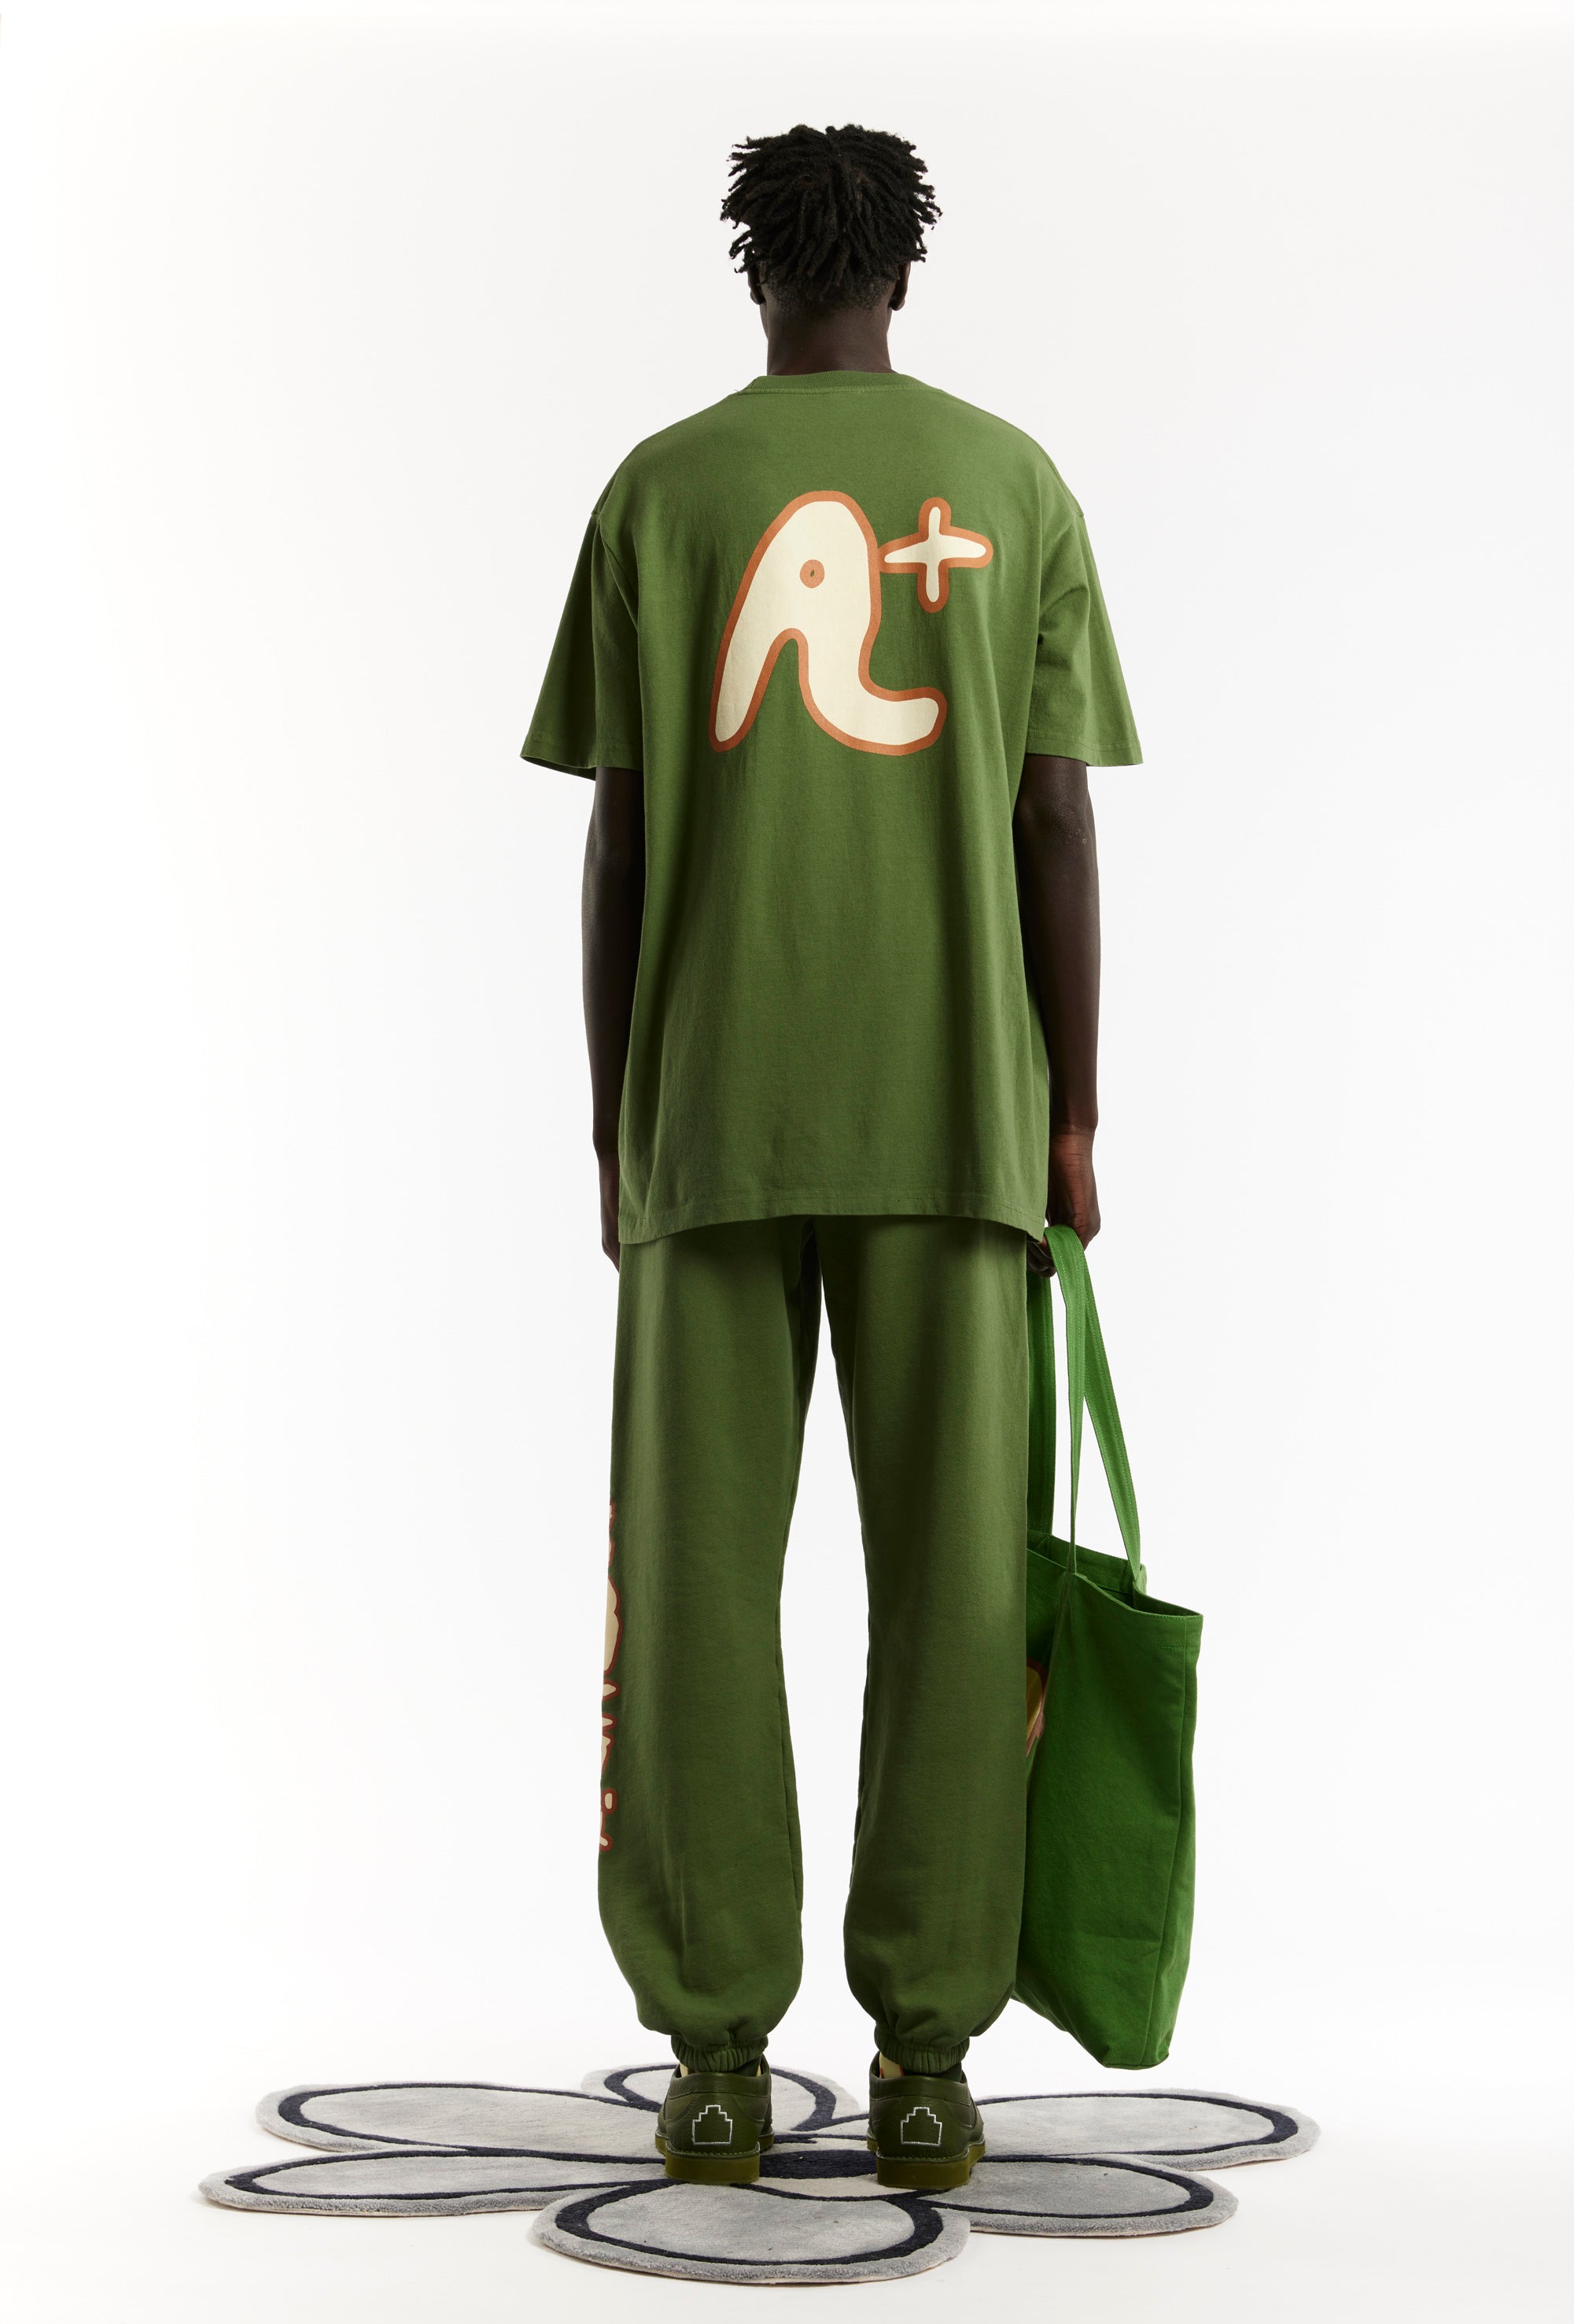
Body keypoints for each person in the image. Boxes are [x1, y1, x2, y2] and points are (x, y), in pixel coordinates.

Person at [522, 122, 1140, 2193]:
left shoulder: (660, 488)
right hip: (957, 1112)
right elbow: (1053, 816)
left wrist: (615, 1110)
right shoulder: (1011, 482)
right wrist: (1070, 1109)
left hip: (707, 1110)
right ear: (906, 270)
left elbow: (617, 836)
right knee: (954, 1590)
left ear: (752, 269)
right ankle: (926, 2063)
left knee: (694, 1588)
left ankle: (712, 2059)